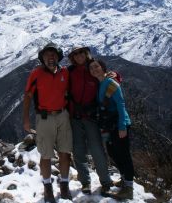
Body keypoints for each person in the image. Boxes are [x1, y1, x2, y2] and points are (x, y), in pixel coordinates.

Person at [23, 42, 72, 203]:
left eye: (53, 55)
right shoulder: (36, 73)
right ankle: (47, 186)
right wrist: (26, 119)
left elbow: (82, 77)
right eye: (47, 55)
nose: (50, 58)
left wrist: (112, 76)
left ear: (58, 57)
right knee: (46, 155)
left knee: (65, 152)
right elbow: (28, 96)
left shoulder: (65, 72)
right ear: (42, 58)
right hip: (44, 118)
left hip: (63, 116)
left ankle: (64, 184)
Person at [67, 47, 112, 196]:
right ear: (73, 57)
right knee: (78, 150)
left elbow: (109, 79)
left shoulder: (93, 68)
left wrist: (116, 76)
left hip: (91, 117)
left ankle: (105, 182)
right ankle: (85, 182)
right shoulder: (70, 71)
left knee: (96, 150)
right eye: (76, 54)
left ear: (86, 54)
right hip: (75, 116)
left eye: (81, 53)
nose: (79, 56)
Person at [88, 59, 135, 200]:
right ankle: (124, 178)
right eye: (91, 68)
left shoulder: (111, 83)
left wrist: (122, 127)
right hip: (110, 125)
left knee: (123, 154)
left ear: (103, 68)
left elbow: (121, 105)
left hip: (120, 124)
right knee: (113, 153)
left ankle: (129, 188)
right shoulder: (101, 83)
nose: (94, 69)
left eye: (96, 66)